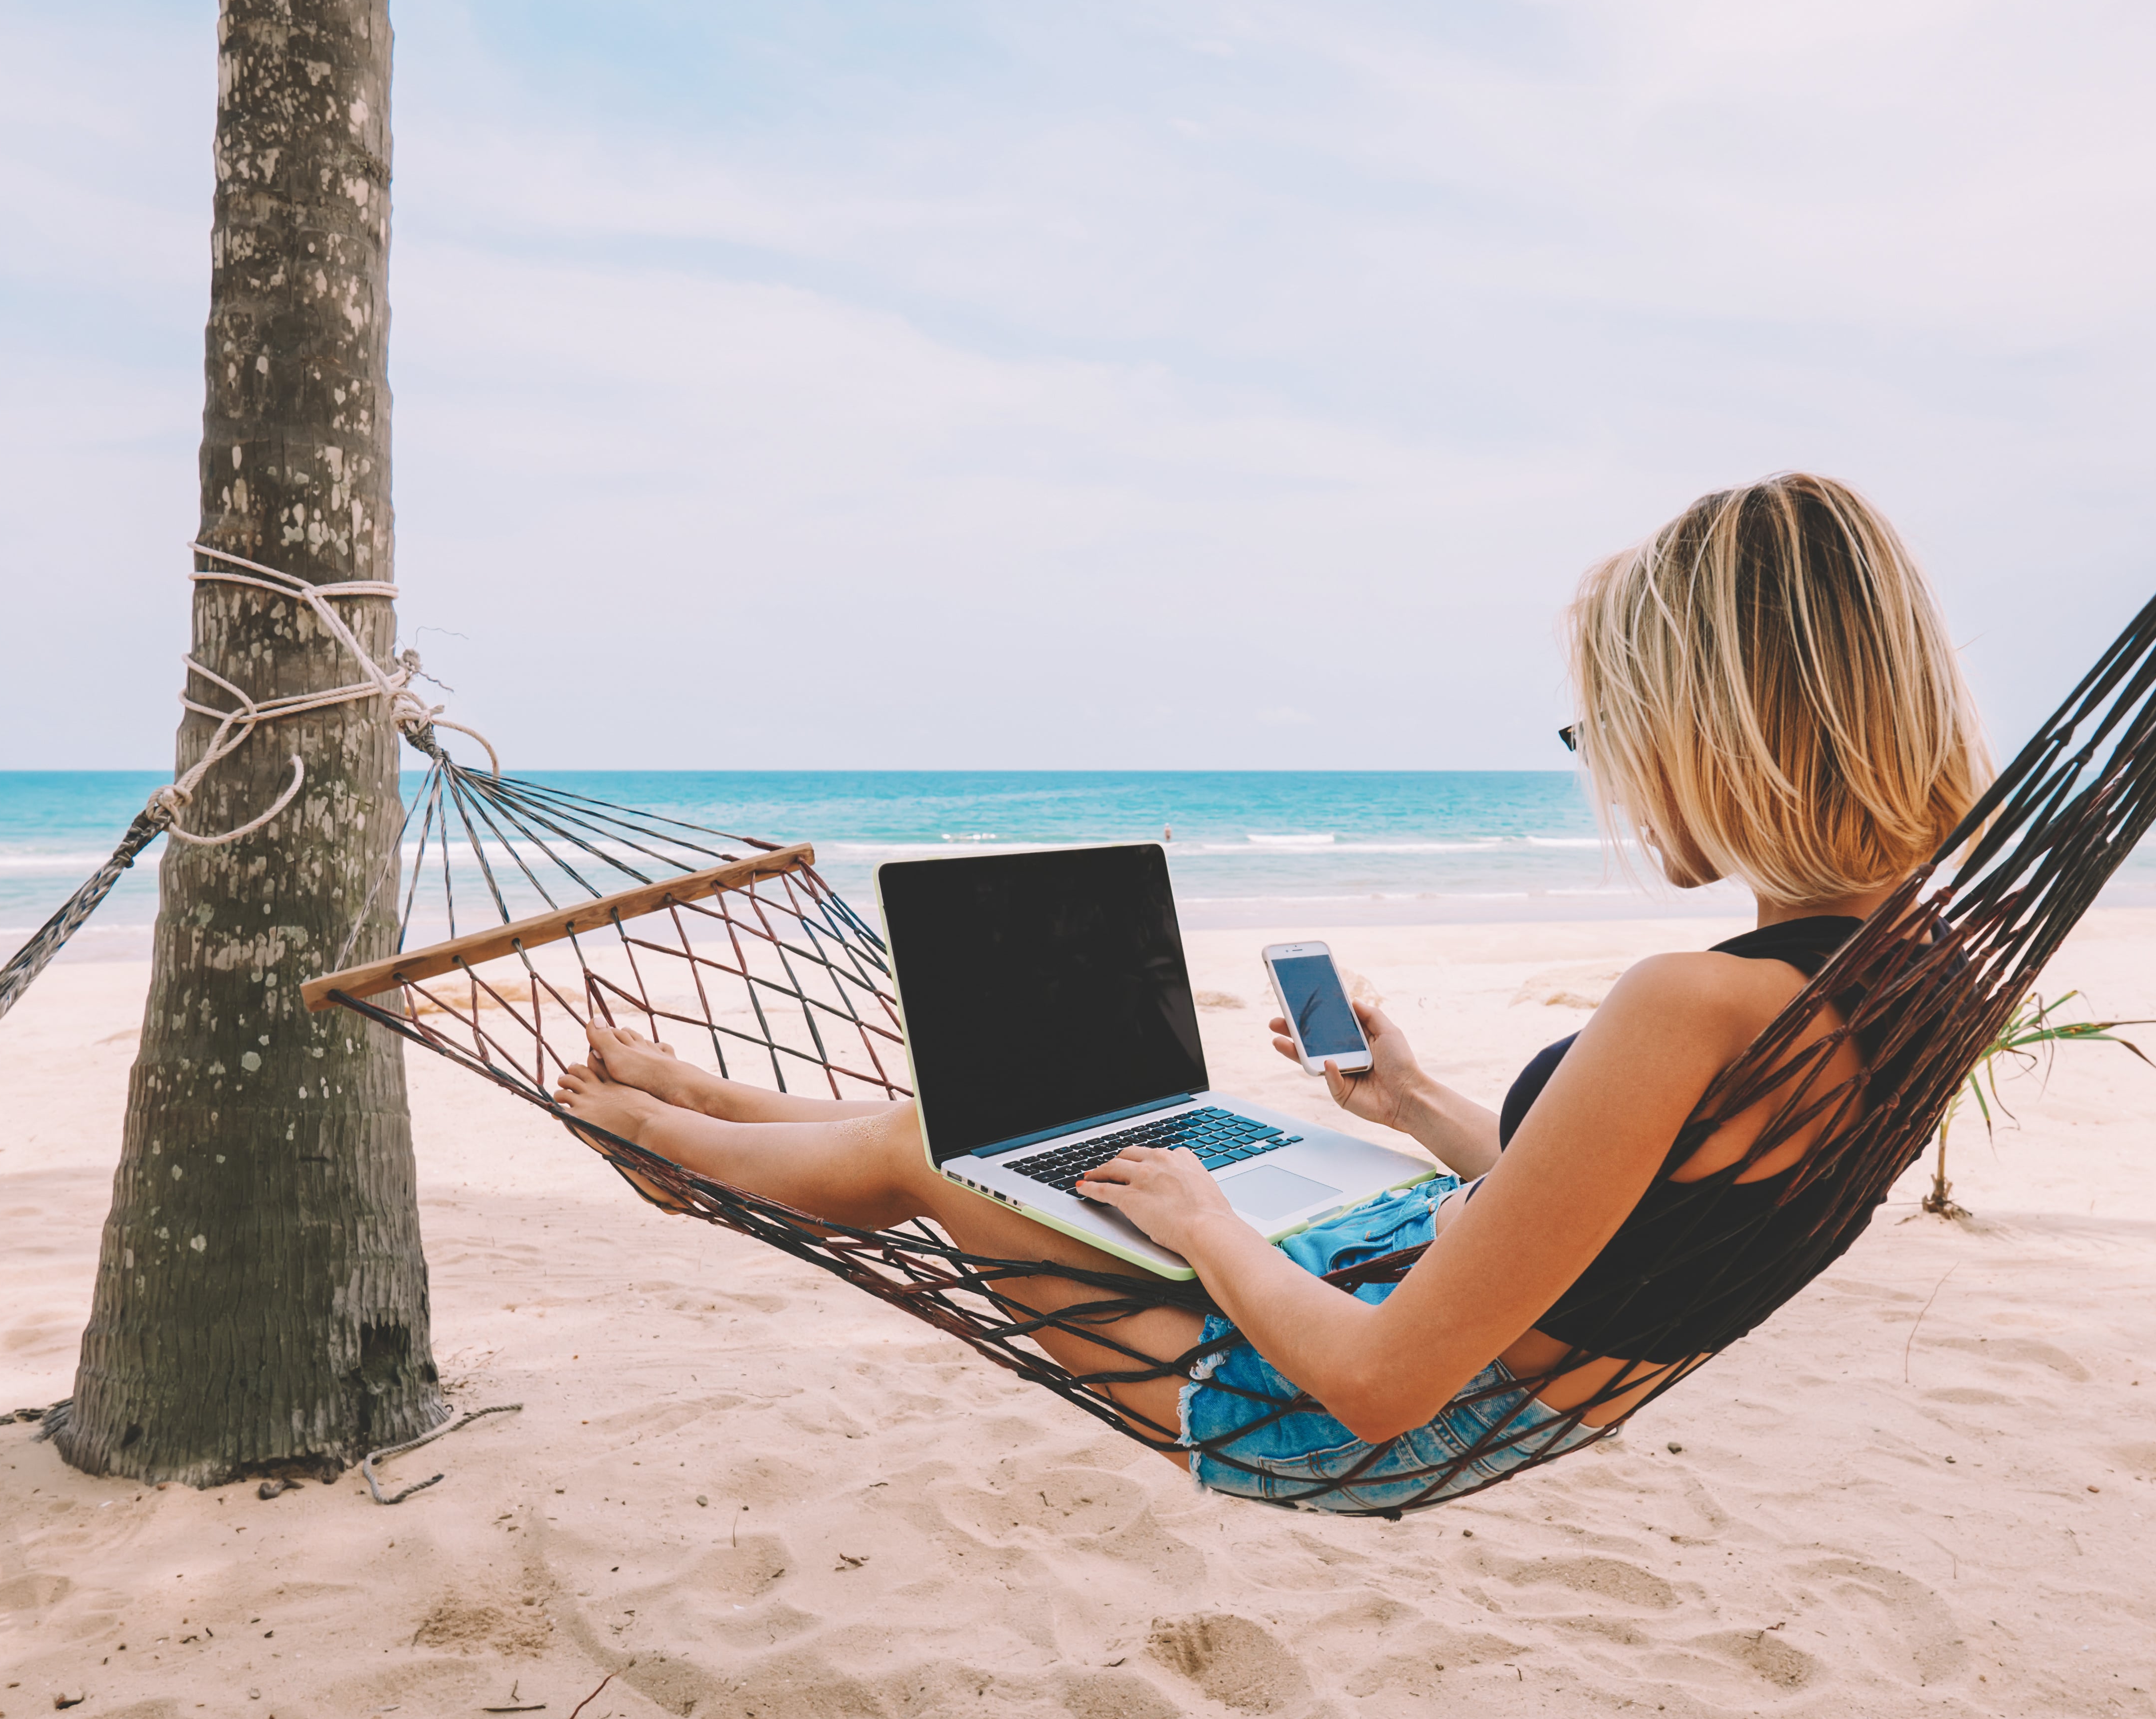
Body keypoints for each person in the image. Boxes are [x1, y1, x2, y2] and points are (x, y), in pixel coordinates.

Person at [557, 473, 1990, 1511]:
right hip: (1439, 1287)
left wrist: (1202, 1226)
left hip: (1340, 1405)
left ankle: (662, 1146)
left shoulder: (1691, 1001)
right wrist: (1416, 1102)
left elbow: (1378, 1388)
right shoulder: (1912, 980)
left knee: (942, 1153)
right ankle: (711, 1102)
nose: (1603, 761)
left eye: (1604, 724)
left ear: (1709, 725)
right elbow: (1643, 1213)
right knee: (1016, 1120)